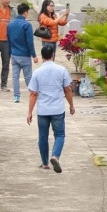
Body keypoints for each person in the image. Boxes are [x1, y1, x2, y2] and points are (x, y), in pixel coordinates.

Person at [27, 42, 73, 172]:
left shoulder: (37, 72)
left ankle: (45, 163)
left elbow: (33, 94)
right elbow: (67, 89)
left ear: (42, 56)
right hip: (57, 109)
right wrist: (71, 105)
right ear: (53, 55)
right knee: (59, 135)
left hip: (43, 110)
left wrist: (29, 112)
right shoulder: (61, 70)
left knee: (43, 137)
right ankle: (55, 156)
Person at [7, 3, 37, 103]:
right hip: (24, 54)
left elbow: (9, 40)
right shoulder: (27, 25)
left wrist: (10, 52)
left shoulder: (10, 24)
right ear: (25, 12)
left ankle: (16, 96)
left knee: (15, 77)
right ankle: (33, 93)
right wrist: (34, 55)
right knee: (28, 77)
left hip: (14, 54)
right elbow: (30, 42)